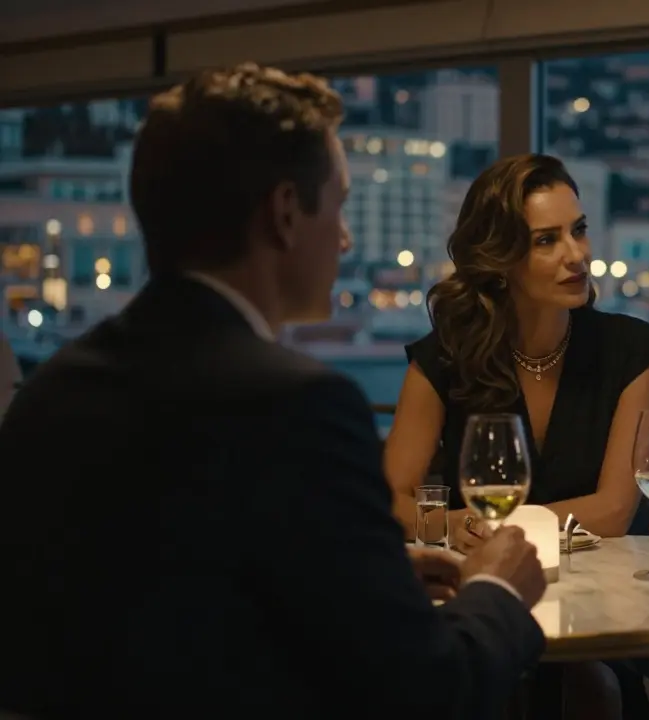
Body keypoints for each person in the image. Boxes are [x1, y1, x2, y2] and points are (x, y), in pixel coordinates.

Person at [0, 63, 548, 719]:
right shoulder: (298, 405)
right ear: (286, 212)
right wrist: (497, 590)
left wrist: (351, 581)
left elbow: (165, 599)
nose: (344, 237)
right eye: (339, 205)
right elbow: (429, 691)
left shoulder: (50, 391)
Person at [383, 153, 649, 720]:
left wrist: (492, 530)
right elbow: (391, 497)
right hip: (485, 597)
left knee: (590, 684)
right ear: (501, 259)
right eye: (546, 241)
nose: (576, 254)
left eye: (578, 230)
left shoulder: (629, 349)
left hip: (604, 608)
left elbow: (614, 510)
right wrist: (456, 527)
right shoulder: (445, 357)